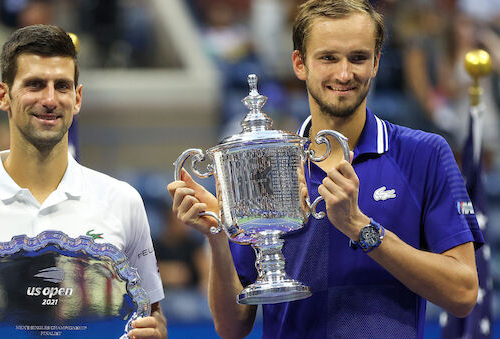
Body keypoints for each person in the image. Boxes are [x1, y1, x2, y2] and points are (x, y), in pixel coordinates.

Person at [167, 1, 483, 338]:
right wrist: (217, 234)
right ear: (299, 64)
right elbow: (232, 327)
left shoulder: (425, 154)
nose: (344, 74)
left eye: (358, 58)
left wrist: (361, 228)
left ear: (376, 63)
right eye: (328, 58)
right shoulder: (264, 164)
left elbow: (463, 294)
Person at [0, 25, 166, 339]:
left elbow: (152, 317)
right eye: (35, 84)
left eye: (62, 86)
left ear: (77, 99)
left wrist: (155, 333)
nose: (50, 99)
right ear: (3, 95)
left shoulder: (123, 201)